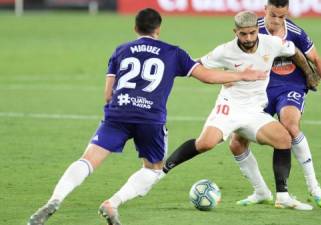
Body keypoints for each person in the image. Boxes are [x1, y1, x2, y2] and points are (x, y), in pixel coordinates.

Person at [27, 8, 267, 225]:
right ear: (158, 29)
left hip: (118, 114)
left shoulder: (121, 50)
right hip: (150, 119)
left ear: (135, 28)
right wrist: (242, 75)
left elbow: (108, 94)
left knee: (88, 160)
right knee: (153, 169)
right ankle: (113, 203)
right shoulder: (173, 52)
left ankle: (55, 198)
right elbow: (207, 76)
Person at [162, 10, 315, 211]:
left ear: (257, 30)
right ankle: (161, 169)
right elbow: (196, 66)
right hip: (229, 106)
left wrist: (309, 74)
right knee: (206, 143)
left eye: (252, 33)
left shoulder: (272, 43)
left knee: (284, 139)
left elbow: (294, 51)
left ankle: (282, 196)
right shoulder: (224, 51)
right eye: (243, 34)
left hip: (254, 110)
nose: (249, 38)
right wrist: (233, 76)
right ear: (236, 32)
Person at [230, 0, 321, 208]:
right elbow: (235, 55)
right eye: (273, 15)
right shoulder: (252, 30)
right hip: (260, 89)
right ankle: (260, 191)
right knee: (236, 143)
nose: (277, 21)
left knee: (291, 126)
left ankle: (314, 186)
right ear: (265, 9)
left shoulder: (295, 32)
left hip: (290, 86)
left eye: (282, 16)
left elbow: (315, 58)